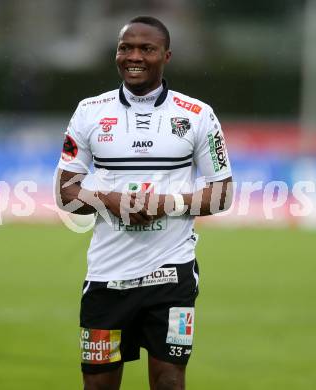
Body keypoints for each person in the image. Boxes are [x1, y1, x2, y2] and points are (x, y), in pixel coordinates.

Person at [56, 15, 232, 390]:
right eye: (125, 48)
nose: (133, 56)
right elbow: (66, 192)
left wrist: (162, 204)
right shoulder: (89, 111)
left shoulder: (197, 115)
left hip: (172, 276)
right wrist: (111, 200)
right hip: (107, 276)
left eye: (146, 49)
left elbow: (222, 193)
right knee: (98, 384)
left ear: (166, 56)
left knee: (169, 381)